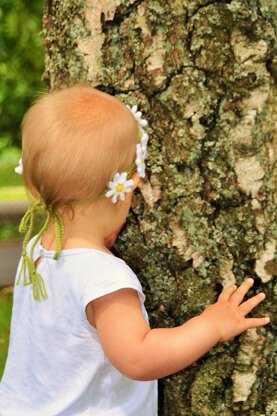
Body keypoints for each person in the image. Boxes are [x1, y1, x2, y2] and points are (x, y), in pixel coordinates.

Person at [0, 85, 270, 416]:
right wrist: (211, 325)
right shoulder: (104, 278)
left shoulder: (38, 248)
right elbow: (138, 357)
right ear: (125, 191)